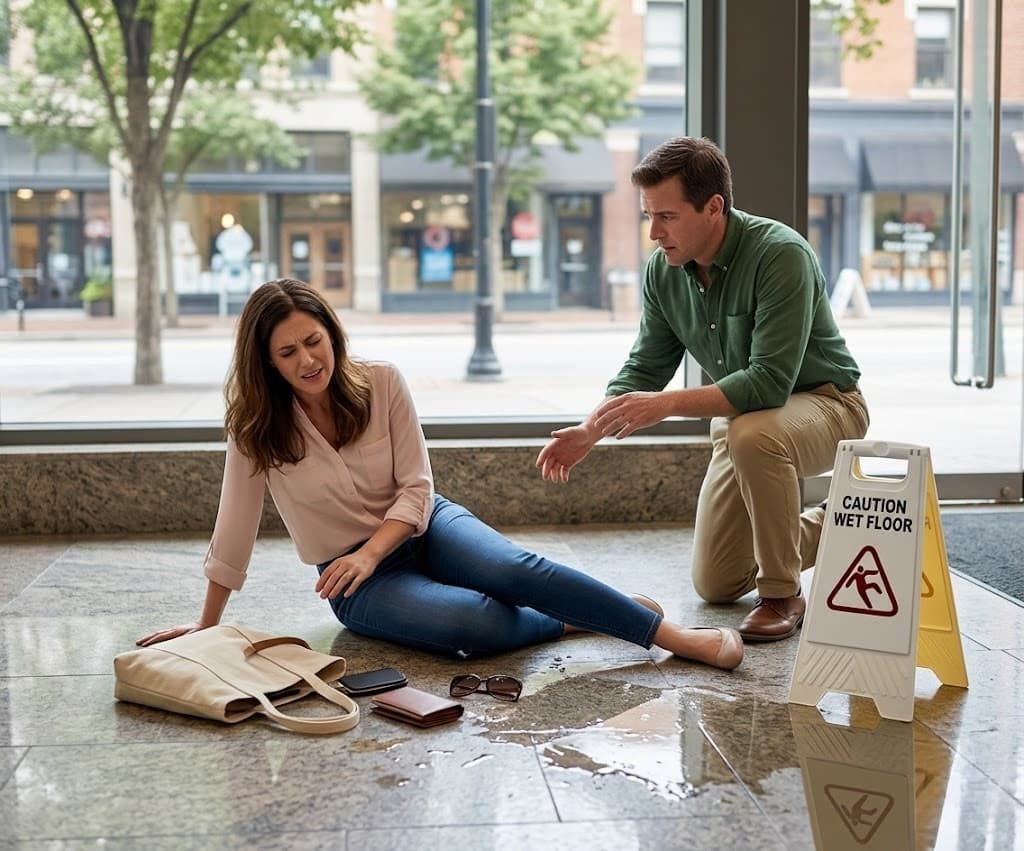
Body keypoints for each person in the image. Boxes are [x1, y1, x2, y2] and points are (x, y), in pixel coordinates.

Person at [138, 278, 743, 671]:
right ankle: (570, 617)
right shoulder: (256, 430)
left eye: (313, 341)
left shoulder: (382, 381)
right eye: (287, 353)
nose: (308, 360)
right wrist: (205, 627)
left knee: (511, 569)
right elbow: (233, 533)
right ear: (266, 363)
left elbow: (418, 488)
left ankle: (667, 636)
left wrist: (375, 549)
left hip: (425, 525)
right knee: (469, 623)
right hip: (354, 582)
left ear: (332, 335)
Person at [536, 137, 869, 642]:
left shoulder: (780, 255)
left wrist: (664, 407)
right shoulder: (663, 273)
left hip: (828, 404)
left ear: (714, 207)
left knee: (755, 434)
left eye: (666, 216)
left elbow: (769, 382)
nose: (654, 233)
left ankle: (781, 593)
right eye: (649, 216)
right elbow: (645, 366)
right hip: (745, 424)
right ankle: (848, 520)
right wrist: (590, 430)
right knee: (716, 581)